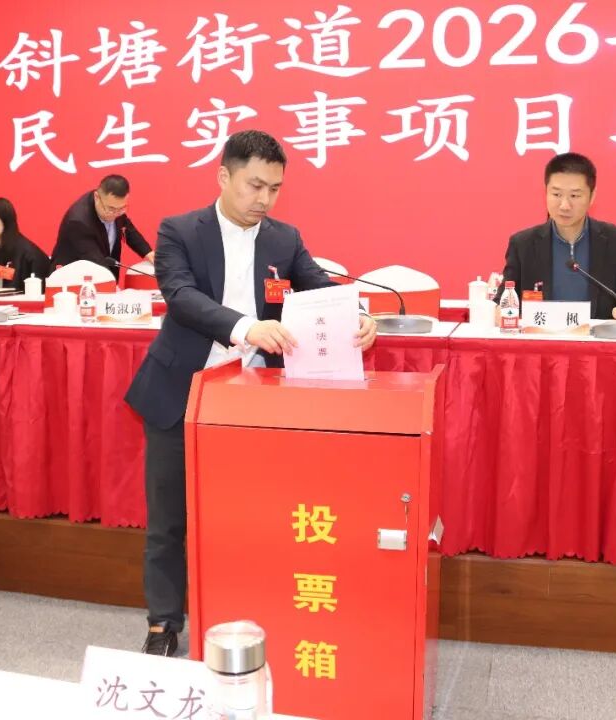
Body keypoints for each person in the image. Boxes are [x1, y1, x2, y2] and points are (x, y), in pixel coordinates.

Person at [123, 130, 378, 656]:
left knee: (252, 514)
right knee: (170, 518)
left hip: (252, 401)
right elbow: (181, 296)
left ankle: (249, 610)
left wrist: (357, 315)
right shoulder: (179, 230)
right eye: (254, 185)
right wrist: (246, 327)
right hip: (181, 395)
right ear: (224, 176)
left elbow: (317, 286)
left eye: (275, 189)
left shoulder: (284, 239)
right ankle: (163, 622)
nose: (264, 199)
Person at [498, 152, 616, 321]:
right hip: (540, 336)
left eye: (575, 196)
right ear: (546, 193)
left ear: (592, 196)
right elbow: (503, 300)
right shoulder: (523, 244)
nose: (564, 205)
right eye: (556, 194)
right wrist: (498, 311)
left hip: (596, 338)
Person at [50, 174, 154, 281]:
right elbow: (95, 261)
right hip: (71, 281)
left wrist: (149, 253)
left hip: (101, 277)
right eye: (111, 209)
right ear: (96, 197)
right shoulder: (78, 222)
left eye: (122, 208)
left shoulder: (114, 207)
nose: (116, 214)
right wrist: (112, 286)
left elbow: (126, 228)